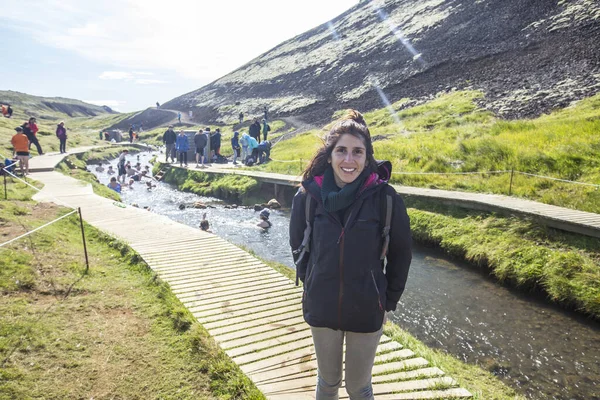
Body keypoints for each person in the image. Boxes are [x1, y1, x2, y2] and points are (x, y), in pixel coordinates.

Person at [289, 109, 412, 400]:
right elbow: (299, 246)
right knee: (328, 383)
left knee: (359, 388)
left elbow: (401, 254)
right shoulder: (307, 197)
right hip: (322, 306)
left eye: (357, 152)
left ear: (368, 157)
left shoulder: (386, 199)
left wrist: (387, 300)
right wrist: (313, 282)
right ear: (329, 155)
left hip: (367, 308)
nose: (349, 160)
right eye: (341, 150)